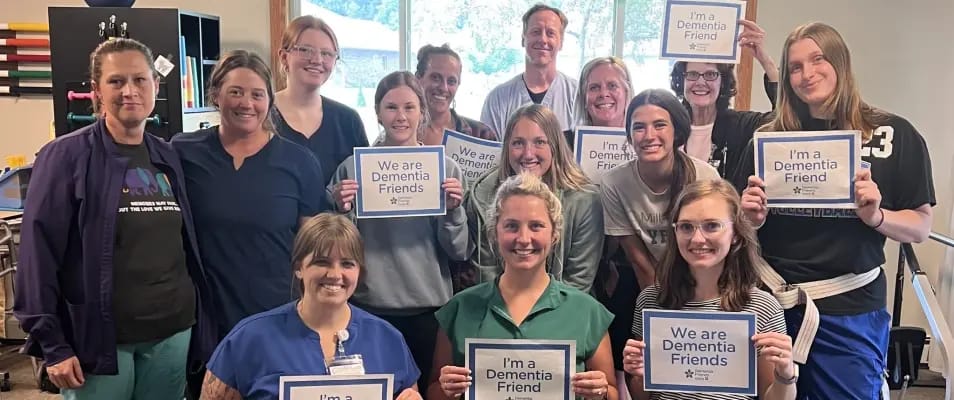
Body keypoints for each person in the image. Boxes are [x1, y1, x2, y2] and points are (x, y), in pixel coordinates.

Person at [733, 22, 935, 400]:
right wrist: (750, 219)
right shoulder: (767, 139)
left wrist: (877, 217)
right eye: (795, 66)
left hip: (850, 311)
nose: (807, 74)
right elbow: (736, 228)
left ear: (841, 62)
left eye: (818, 59)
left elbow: (921, 225)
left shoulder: (892, 134)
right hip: (771, 306)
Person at [15, 38, 214, 399]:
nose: (130, 91)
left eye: (140, 80)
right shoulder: (65, 157)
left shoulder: (166, 156)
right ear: (96, 91)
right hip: (99, 341)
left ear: (155, 84)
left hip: (171, 332)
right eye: (116, 81)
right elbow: (36, 257)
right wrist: (53, 344)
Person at [328, 71, 471, 390]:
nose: (401, 116)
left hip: (430, 310)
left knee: (427, 391)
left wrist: (452, 210)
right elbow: (339, 250)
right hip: (368, 308)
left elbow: (460, 251)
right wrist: (342, 212)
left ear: (422, 111)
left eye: (409, 107)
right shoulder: (352, 170)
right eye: (391, 107)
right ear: (378, 112)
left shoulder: (445, 169)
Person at [172, 50, 328, 337]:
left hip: (278, 315)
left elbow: (311, 249)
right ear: (216, 94)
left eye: (257, 94)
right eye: (236, 92)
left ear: (270, 101)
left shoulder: (300, 162)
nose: (247, 103)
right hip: (205, 318)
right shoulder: (183, 152)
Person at [429, 172, 618, 400]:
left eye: (536, 226)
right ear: (495, 233)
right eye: (511, 226)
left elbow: (611, 392)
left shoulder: (587, 311)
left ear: (554, 234)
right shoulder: (459, 308)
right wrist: (446, 389)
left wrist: (601, 391)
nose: (524, 238)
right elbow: (433, 391)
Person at [200, 213, 422, 400]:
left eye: (347, 264)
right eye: (321, 262)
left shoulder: (388, 339)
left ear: (359, 272)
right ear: (299, 268)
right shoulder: (249, 339)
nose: (335, 274)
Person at [622, 179, 795, 400]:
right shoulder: (651, 300)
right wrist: (637, 374)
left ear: (735, 234)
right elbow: (642, 397)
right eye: (686, 227)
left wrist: (786, 373)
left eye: (712, 225)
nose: (697, 238)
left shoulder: (762, 307)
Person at [465, 104, 603, 292]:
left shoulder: (585, 200)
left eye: (539, 142)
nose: (528, 154)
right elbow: (487, 275)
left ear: (554, 146)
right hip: (500, 306)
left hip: (567, 310)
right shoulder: (484, 195)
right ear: (507, 147)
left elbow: (578, 282)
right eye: (518, 143)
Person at [600, 89, 720, 293]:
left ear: (677, 131)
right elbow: (638, 261)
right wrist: (659, 309)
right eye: (639, 127)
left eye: (659, 125)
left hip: (702, 279)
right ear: (629, 135)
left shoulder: (706, 177)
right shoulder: (614, 183)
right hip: (648, 282)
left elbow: (713, 248)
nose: (649, 136)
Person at [573, 56, 637, 400]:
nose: (603, 94)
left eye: (612, 85)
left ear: (627, 92)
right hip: (583, 269)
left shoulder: (645, 140)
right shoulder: (567, 143)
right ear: (583, 95)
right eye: (594, 86)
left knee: (627, 368)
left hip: (630, 270)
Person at [670, 19, 779, 179]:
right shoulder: (669, 126)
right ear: (682, 80)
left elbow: (784, 117)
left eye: (710, 74)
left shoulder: (742, 125)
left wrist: (766, 61)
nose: (700, 82)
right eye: (692, 74)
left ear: (723, 82)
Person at [272, 15, 369, 184]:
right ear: (283, 57)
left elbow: (366, 186)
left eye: (326, 53)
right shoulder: (261, 115)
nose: (317, 60)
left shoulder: (348, 120)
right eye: (305, 50)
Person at [481, 3, 577, 135]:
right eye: (536, 32)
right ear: (523, 39)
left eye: (550, 33)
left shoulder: (577, 96)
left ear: (561, 43)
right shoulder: (497, 99)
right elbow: (489, 153)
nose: (543, 39)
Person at [415, 44, 496, 144]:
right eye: (436, 78)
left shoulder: (481, 135)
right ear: (418, 78)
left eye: (451, 81)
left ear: (458, 84)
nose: (443, 87)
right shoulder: (399, 134)